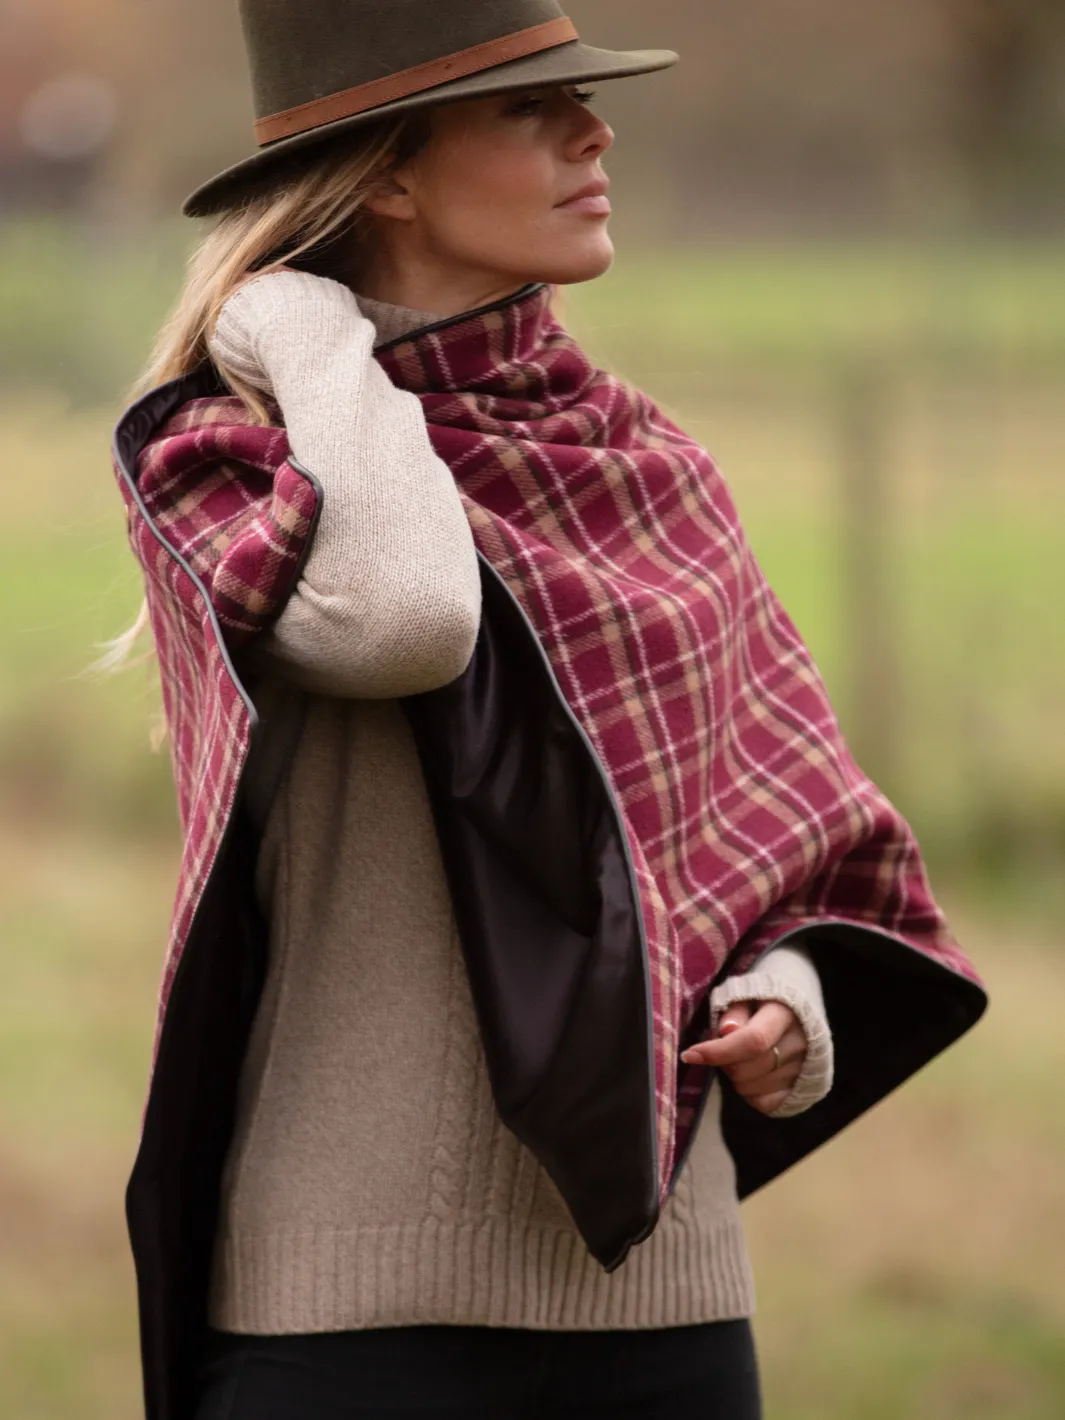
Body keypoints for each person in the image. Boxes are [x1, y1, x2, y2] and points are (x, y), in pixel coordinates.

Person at [109, 4, 987, 1418]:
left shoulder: (647, 468)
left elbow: (788, 852)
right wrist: (307, 329)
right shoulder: (225, 455)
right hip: (345, 1319)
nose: (597, 131)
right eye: (531, 109)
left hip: (668, 1316)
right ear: (387, 172)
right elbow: (411, 619)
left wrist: (788, 995)